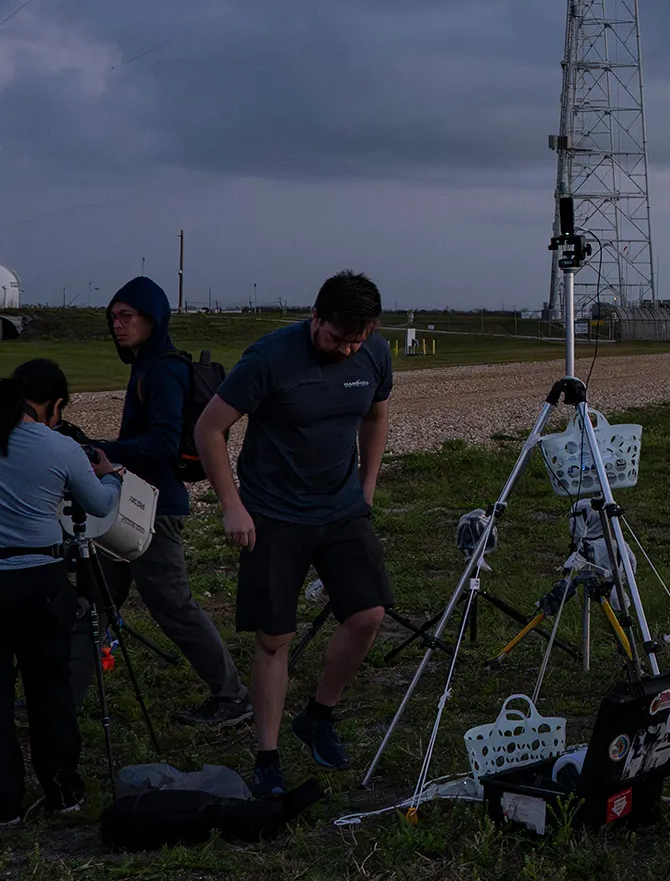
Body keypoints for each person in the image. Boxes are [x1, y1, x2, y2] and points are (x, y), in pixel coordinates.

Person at [195, 271, 394, 800]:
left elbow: (376, 416)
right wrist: (232, 506)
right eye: (337, 338)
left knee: (369, 615)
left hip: (341, 508)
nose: (347, 348)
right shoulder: (269, 358)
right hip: (274, 515)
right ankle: (268, 756)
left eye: (357, 339)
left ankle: (318, 715)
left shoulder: (373, 351)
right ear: (316, 317)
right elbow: (209, 429)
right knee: (274, 638)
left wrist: (367, 486)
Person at [89, 277, 251, 727]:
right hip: (127, 499)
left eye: (128, 316)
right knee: (96, 594)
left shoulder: (162, 369)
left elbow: (162, 441)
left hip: (154, 509)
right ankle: (64, 688)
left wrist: (103, 450)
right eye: (113, 317)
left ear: (153, 318)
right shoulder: (146, 364)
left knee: (172, 605)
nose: (118, 325)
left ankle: (233, 695)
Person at [0, 367, 122, 824]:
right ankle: (62, 791)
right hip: (39, 578)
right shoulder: (58, 446)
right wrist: (110, 476)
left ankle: (4, 804)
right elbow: (98, 504)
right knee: (49, 688)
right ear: (54, 406)